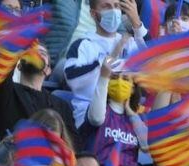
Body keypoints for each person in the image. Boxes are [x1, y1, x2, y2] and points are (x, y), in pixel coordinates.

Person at [62, 0, 148, 128]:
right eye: (106, 6)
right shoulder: (83, 44)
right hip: (90, 119)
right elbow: (72, 77)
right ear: (93, 13)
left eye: (116, 6)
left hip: (124, 115)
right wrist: (113, 56)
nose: (113, 11)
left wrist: (137, 23)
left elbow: (151, 68)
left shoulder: (128, 42)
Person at [0, 45, 76, 140]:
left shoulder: (62, 105)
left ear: (48, 70)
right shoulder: (6, 91)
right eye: (31, 53)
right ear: (19, 66)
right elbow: (2, 66)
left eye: (42, 53)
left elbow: (73, 144)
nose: (36, 55)